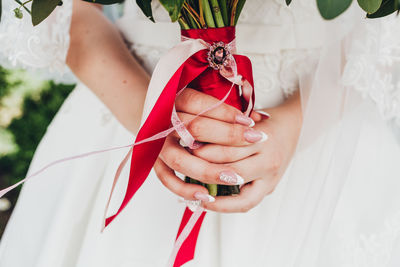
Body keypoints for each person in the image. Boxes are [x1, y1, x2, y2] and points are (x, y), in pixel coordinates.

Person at [0, 0, 400, 266]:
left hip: (325, 113)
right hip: (133, 92)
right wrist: (150, 116)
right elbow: (60, 13)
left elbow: (383, 29)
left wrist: (297, 123)